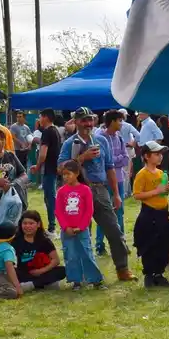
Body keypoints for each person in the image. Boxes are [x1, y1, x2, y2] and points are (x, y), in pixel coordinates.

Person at [58, 108, 134, 281]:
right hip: (77, 192)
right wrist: (82, 158)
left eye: (90, 120)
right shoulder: (70, 143)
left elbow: (110, 168)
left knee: (114, 229)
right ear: (76, 122)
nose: (88, 124)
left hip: (100, 190)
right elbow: (60, 169)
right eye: (84, 120)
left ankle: (123, 269)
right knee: (80, 234)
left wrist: (116, 193)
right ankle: (84, 274)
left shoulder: (102, 140)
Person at [131, 140, 169, 288]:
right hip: (149, 214)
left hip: (163, 213)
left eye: (160, 154)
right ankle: (149, 275)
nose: (160, 157)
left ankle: (159, 273)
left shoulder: (160, 173)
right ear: (146, 156)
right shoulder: (142, 174)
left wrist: (167, 189)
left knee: (163, 244)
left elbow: (163, 195)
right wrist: (156, 191)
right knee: (150, 244)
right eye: (156, 154)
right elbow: (137, 195)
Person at [55, 160, 103, 289]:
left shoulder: (85, 190)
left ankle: (95, 279)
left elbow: (89, 210)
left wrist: (81, 227)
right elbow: (58, 211)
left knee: (87, 253)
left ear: (76, 173)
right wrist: (66, 227)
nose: (65, 177)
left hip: (82, 230)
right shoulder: (61, 191)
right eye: (63, 174)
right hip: (67, 231)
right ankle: (76, 280)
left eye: (68, 174)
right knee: (70, 256)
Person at [95, 110, 131, 254]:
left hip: (119, 180)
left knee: (119, 211)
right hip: (104, 181)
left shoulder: (119, 138)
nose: (121, 123)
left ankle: (121, 244)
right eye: (119, 121)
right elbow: (103, 161)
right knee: (103, 213)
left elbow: (126, 158)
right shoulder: (99, 138)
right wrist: (115, 160)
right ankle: (100, 245)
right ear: (112, 122)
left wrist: (113, 160)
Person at [12, 210, 65, 291]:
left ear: (38, 224)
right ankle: (44, 283)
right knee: (11, 272)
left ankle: (33, 285)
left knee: (62, 270)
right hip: (24, 273)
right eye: (25, 223)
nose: (27, 226)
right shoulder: (16, 240)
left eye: (31, 223)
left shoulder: (44, 240)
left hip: (42, 272)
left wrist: (41, 271)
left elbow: (56, 260)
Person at [34, 110, 62, 236]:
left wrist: (38, 166)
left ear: (45, 117)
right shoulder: (55, 131)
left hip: (49, 169)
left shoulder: (46, 132)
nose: (39, 119)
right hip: (55, 168)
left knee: (50, 198)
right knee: (51, 197)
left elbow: (43, 153)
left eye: (40, 117)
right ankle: (53, 226)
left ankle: (52, 228)